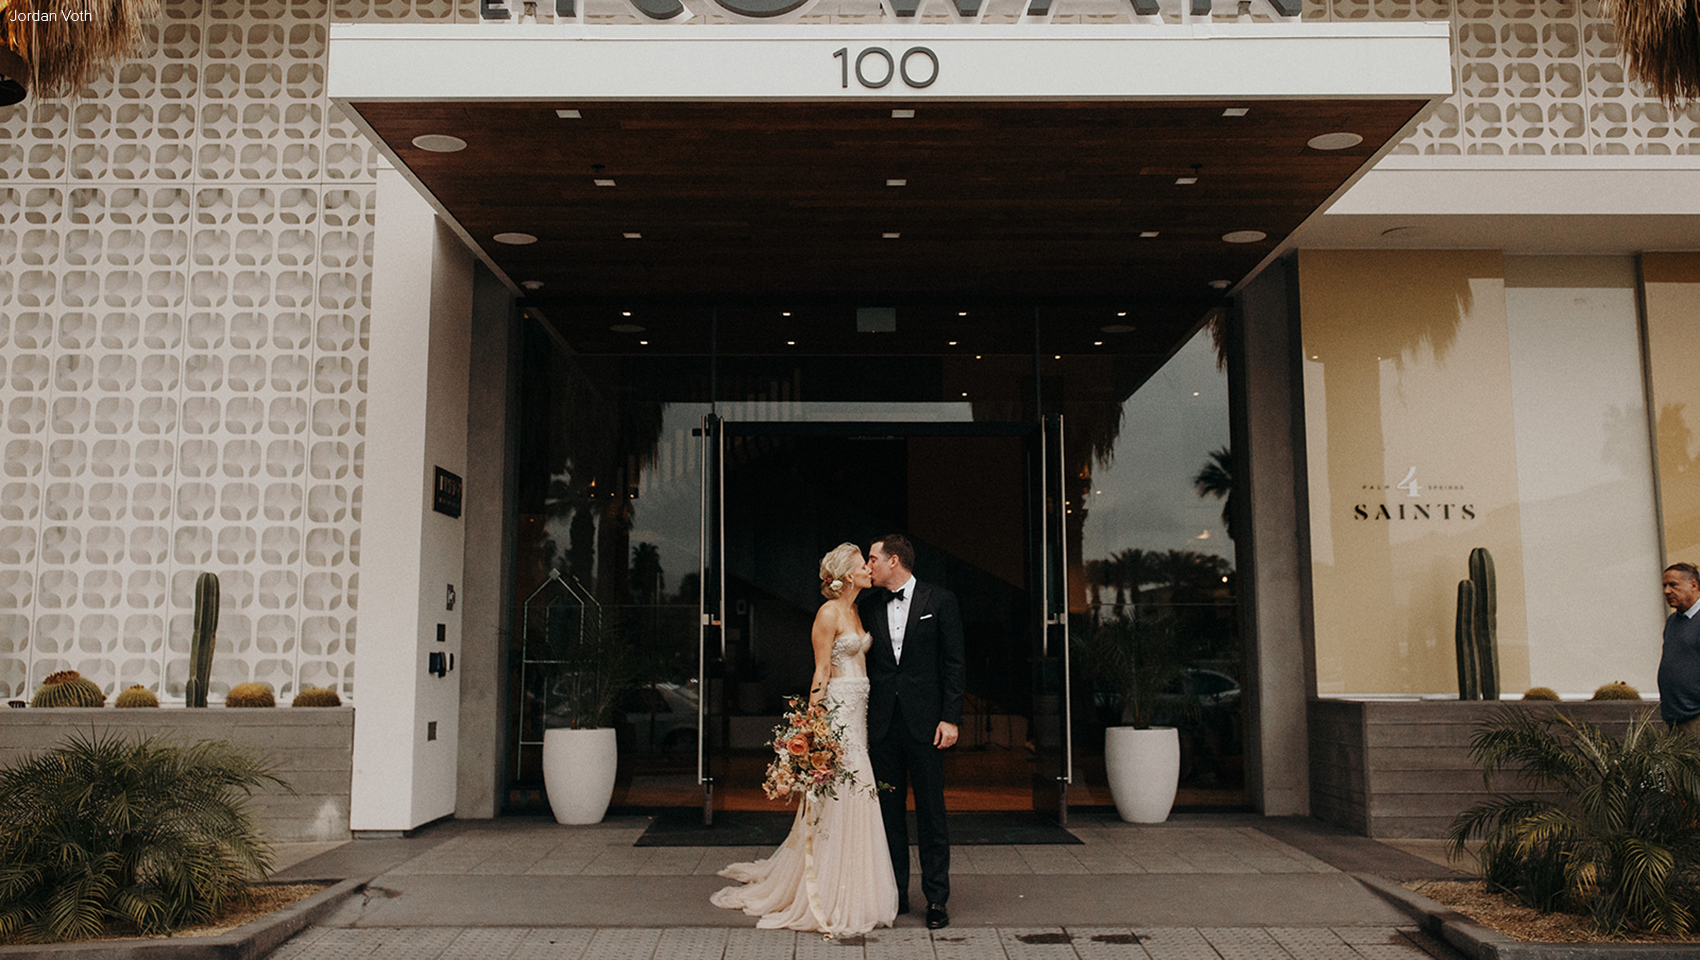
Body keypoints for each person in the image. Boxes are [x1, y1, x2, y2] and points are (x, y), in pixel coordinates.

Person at [710, 544, 898, 937]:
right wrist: (813, 726)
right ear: (847, 574)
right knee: (838, 795)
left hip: (859, 714)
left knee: (858, 793)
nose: (869, 569)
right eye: (863, 564)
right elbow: (821, 671)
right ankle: (829, 890)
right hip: (838, 711)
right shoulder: (828, 613)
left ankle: (857, 887)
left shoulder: (856, 610)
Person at [860, 534, 966, 930]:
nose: (869, 565)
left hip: (927, 725)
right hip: (883, 726)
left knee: (931, 813)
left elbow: (954, 663)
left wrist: (950, 718)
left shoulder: (940, 600)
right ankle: (896, 895)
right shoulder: (868, 605)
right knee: (888, 814)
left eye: (873, 558)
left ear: (894, 560)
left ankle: (936, 899)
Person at [1659, 562, 1700, 733]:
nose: (1666, 591)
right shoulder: (1672, 621)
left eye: (1673, 585)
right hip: (1674, 719)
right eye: (1665, 586)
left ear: (1693, 585)